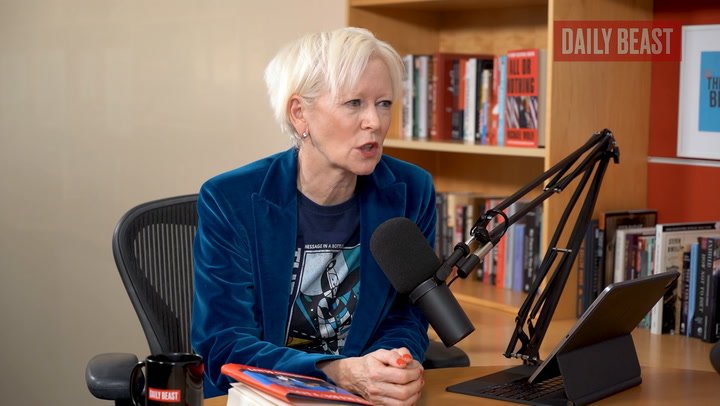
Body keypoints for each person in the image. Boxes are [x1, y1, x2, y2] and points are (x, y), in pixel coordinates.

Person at [192, 27, 437, 405]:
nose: (374, 121)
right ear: (299, 114)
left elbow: (406, 315)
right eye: (354, 103)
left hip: (366, 399)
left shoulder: (412, 190)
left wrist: (393, 364)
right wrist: (336, 371)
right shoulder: (230, 199)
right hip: (263, 397)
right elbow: (224, 343)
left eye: (384, 103)